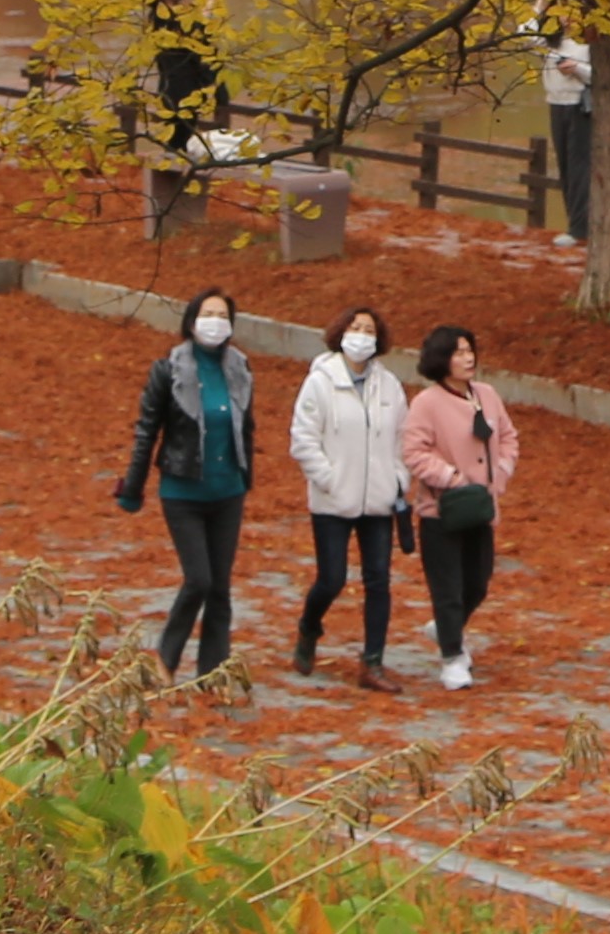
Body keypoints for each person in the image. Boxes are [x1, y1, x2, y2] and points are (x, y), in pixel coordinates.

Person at [114, 283, 255, 673]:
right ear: (192, 322)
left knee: (221, 587)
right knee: (199, 580)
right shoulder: (168, 370)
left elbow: (246, 428)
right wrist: (132, 488)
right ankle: (165, 659)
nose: (215, 322)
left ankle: (214, 670)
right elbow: (147, 431)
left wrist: (246, 477)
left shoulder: (240, 370)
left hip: (228, 492)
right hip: (183, 491)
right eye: (208, 315)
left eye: (222, 316)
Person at [285, 301, 411, 685]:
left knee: (378, 580)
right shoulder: (320, 382)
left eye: (370, 330)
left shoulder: (389, 386)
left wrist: (398, 480)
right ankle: (309, 627)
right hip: (333, 500)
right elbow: (304, 439)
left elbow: (403, 439)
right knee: (332, 578)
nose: (362, 336)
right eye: (356, 328)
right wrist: (329, 478)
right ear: (341, 333)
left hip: (379, 500)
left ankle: (372, 662)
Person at [400, 323, 521, 689]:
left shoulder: (487, 395)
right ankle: (452, 657)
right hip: (443, 511)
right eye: (458, 353)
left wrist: (501, 472)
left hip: (481, 509)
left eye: (470, 351)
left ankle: (445, 628)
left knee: (477, 582)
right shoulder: (427, 403)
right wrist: (452, 478)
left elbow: (508, 437)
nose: (468, 359)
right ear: (442, 359)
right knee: (447, 588)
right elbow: (414, 452)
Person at [144, 0, 226, 154]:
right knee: (177, 141)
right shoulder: (160, 18)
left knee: (183, 141)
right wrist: (203, 19)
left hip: (190, 89)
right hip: (176, 90)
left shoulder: (183, 15)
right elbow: (184, 39)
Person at [541, 30, 596, 241]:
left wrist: (577, 68)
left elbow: (601, 76)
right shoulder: (549, 40)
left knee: (579, 167)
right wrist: (542, 9)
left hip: (579, 106)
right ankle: (575, 223)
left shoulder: (589, 41)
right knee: (564, 165)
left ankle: (580, 229)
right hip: (556, 103)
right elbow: (523, 36)